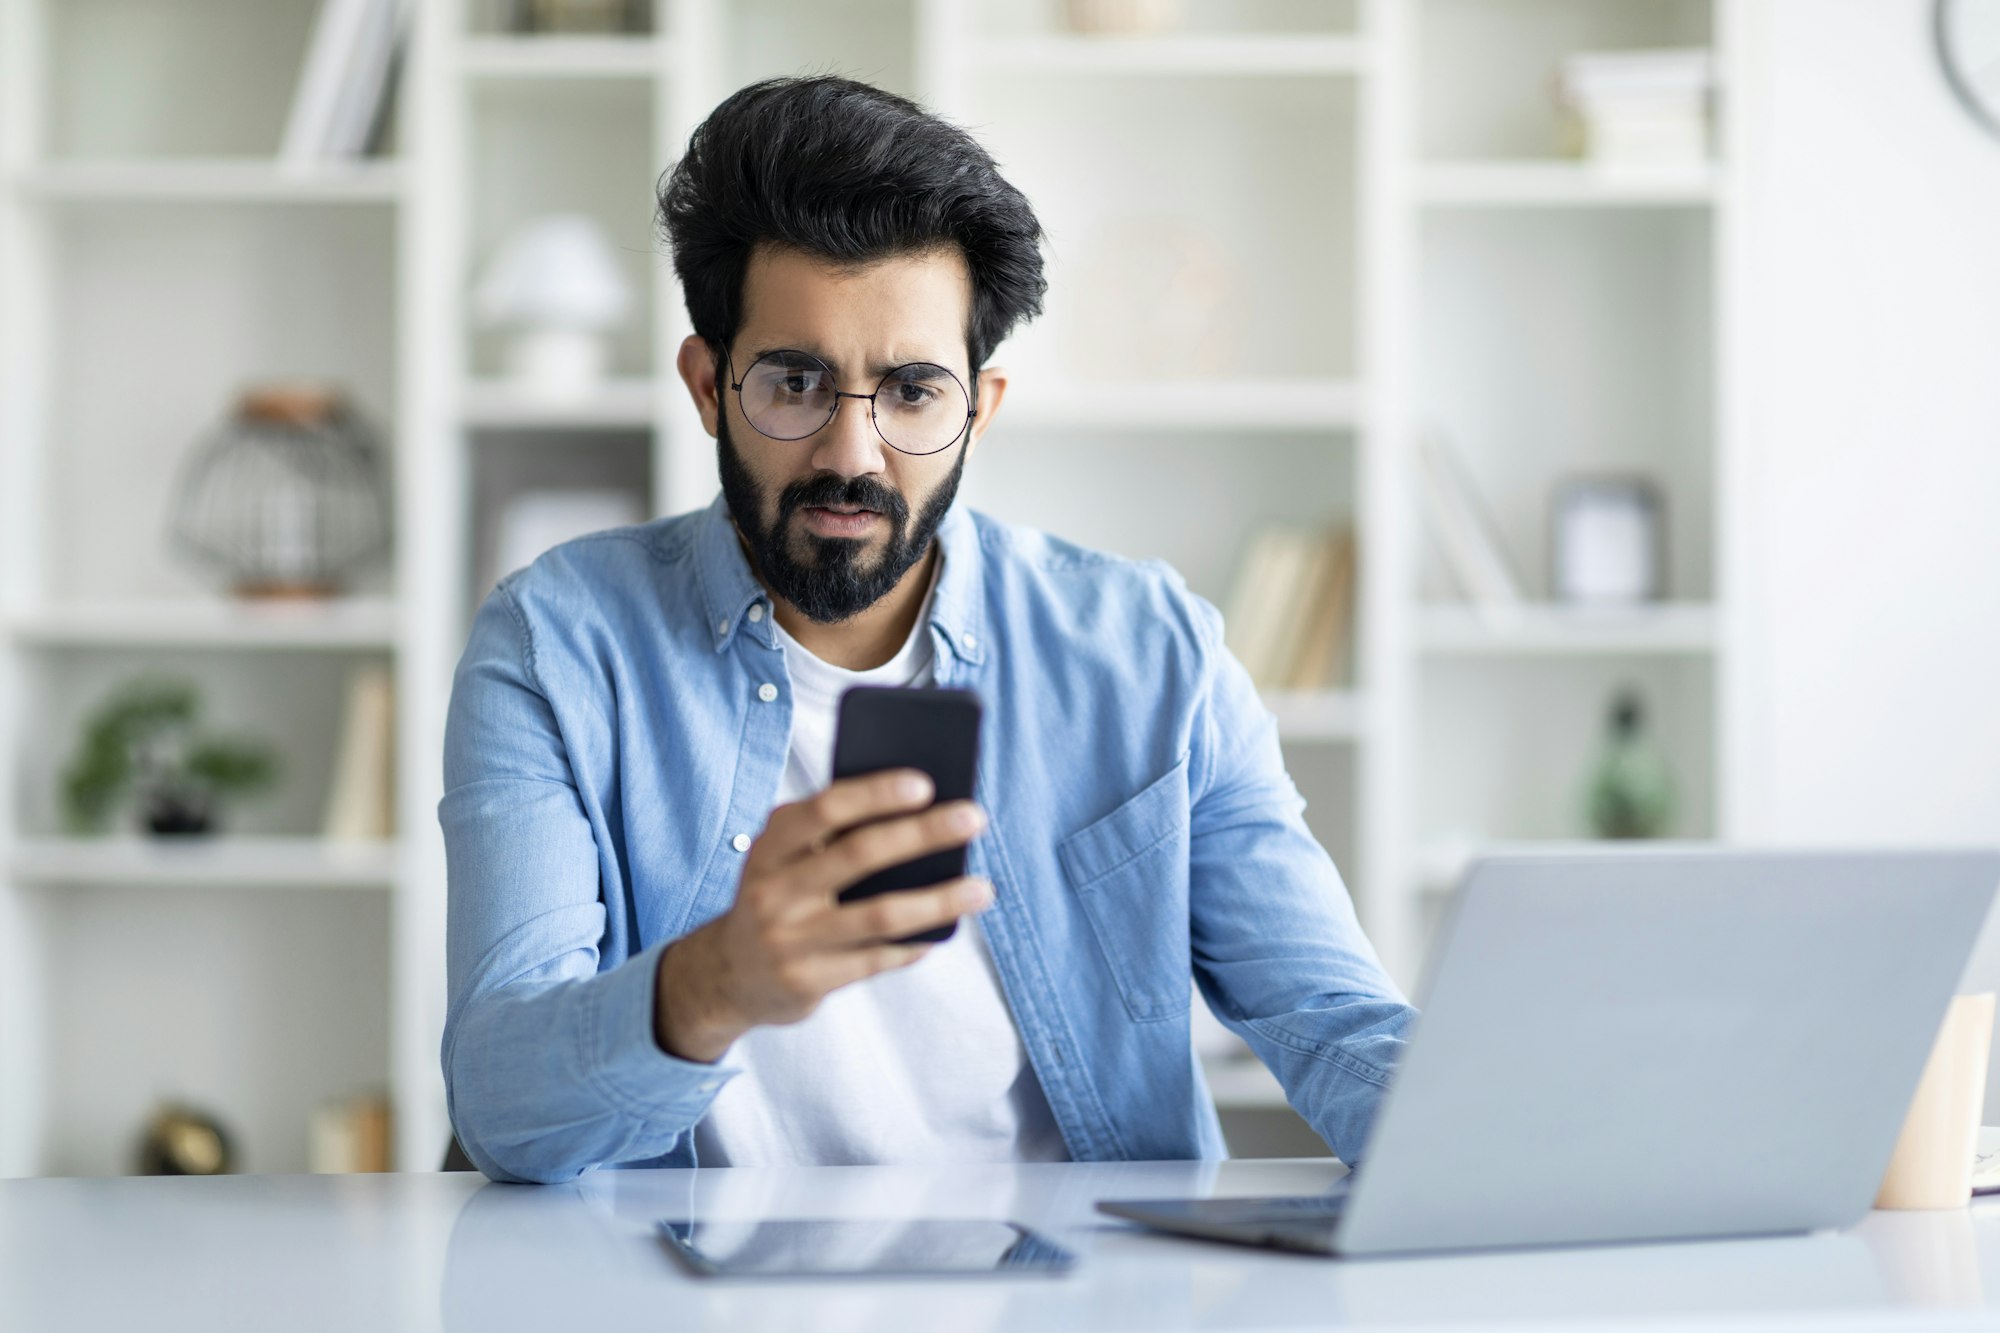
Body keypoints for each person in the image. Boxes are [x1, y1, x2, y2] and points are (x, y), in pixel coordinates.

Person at [441, 76, 1415, 1185]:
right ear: (707, 385)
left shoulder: (1150, 653)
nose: (851, 455)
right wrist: (714, 981)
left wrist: (1527, 1133)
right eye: (794, 381)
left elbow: (1331, 1021)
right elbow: (498, 1104)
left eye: (911, 391)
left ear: (978, 409)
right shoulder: (555, 649)